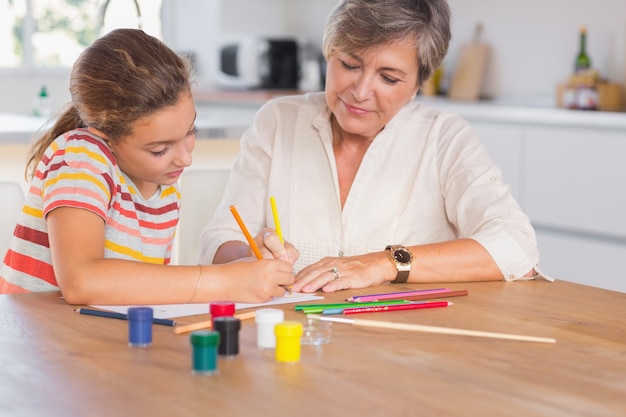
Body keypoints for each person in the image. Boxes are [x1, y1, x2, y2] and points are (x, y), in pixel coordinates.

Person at [199, 0, 552, 294]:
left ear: (417, 84)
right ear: (328, 53)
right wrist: (247, 255)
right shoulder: (278, 121)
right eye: (349, 64)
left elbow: (517, 247)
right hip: (295, 340)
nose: (361, 91)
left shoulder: (444, 138)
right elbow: (219, 240)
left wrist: (383, 264)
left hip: (402, 350)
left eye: (389, 77)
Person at [0, 29, 294, 304]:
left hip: (94, 340)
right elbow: (81, 282)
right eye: (160, 149)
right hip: (35, 344)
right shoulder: (81, 157)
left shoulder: (163, 184)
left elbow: (140, 288)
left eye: (191, 132)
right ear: (105, 133)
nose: (185, 158)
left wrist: (244, 262)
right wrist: (224, 281)